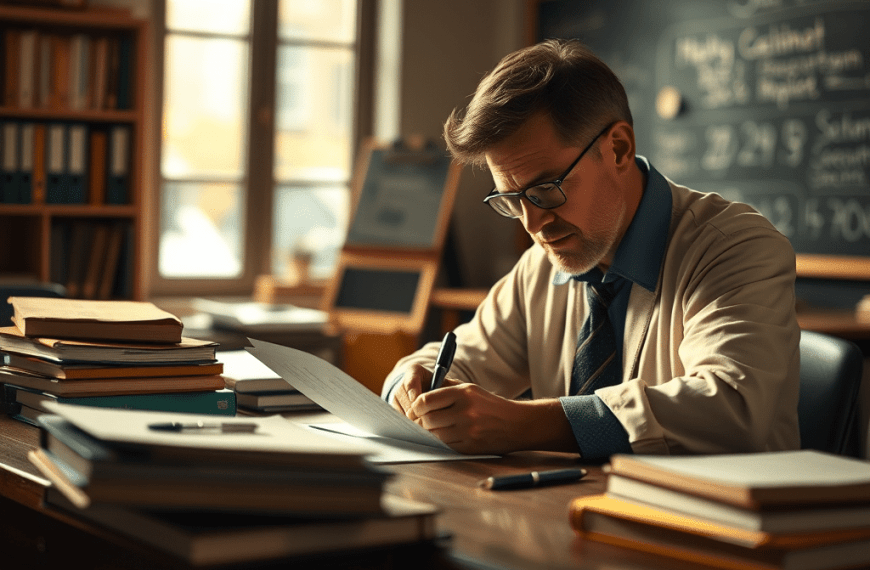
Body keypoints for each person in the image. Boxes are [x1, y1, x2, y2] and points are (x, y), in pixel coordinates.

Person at [381, 39, 800, 458]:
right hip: (578, 509)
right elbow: (455, 357)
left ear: (618, 148)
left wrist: (528, 424)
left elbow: (730, 407)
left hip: (715, 518)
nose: (532, 223)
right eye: (511, 200)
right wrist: (409, 386)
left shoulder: (735, 248)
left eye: (546, 188)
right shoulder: (541, 268)